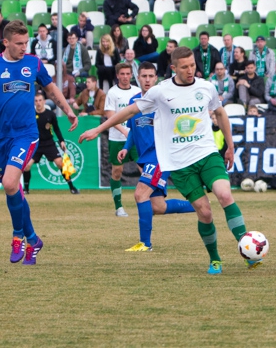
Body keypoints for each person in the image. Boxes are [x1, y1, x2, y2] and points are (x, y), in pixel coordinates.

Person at [80, 47, 255, 274]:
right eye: (185, 67)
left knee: (224, 194)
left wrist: (230, 147)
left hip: (206, 153)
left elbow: (220, 113)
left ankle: (247, 248)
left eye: (192, 65)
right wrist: (99, 128)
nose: (190, 70)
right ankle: (215, 259)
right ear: (173, 68)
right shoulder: (160, 91)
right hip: (179, 163)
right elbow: (130, 112)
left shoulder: (206, 87)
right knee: (205, 213)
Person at [0, 20, 76, 264]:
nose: (24, 47)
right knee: (13, 190)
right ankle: (33, 238)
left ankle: (18, 236)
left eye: (26, 42)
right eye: (19, 43)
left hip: (26, 134)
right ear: (5, 43)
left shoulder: (33, 63)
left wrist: (68, 110)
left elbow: (51, 90)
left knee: (9, 183)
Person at [118, 62, 195, 251]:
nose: (147, 80)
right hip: (145, 157)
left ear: (156, 78)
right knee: (157, 206)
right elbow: (133, 131)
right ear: (139, 78)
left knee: (140, 194)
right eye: (143, 76)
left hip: (160, 155)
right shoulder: (133, 102)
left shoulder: (164, 102)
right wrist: (127, 148)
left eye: (151, 76)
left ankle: (145, 244)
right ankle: (198, 204)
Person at [102, 63, 140, 217]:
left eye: (127, 74)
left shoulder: (138, 92)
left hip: (136, 138)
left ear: (132, 75)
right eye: (122, 74)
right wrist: (124, 130)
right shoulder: (112, 93)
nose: (125, 77)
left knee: (144, 169)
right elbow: (110, 115)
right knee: (117, 171)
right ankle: (119, 207)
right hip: (117, 138)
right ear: (117, 75)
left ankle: (150, 201)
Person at [25, 92, 79, 194]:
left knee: (60, 163)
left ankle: (72, 187)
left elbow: (57, 129)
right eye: (36, 101)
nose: (38, 103)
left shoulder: (50, 114)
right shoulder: (31, 114)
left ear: (44, 101)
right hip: (36, 144)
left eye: (40, 100)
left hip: (49, 143)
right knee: (27, 166)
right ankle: (26, 189)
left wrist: (61, 141)